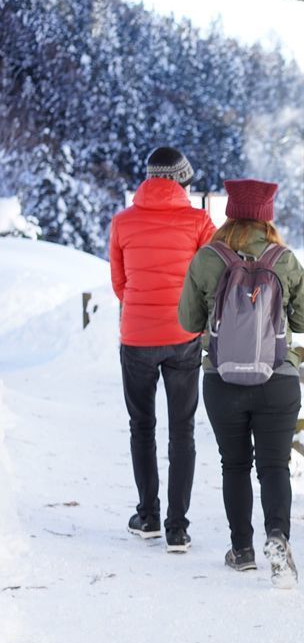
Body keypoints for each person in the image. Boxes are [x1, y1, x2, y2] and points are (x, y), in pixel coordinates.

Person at [177, 179, 304, 588]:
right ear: (268, 217)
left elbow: (187, 322)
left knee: (234, 465)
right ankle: (278, 539)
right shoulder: (283, 259)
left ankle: (242, 550)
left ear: (229, 211)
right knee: (275, 467)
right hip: (278, 379)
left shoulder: (207, 258)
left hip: (222, 380)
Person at [109, 146, 215, 552]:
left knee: (142, 427)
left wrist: (140, 305)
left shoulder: (123, 222)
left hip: (136, 337)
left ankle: (148, 516)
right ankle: (178, 528)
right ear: (182, 180)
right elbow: (209, 280)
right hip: (183, 336)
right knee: (182, 430)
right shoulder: (199, 221)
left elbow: (119, 284)